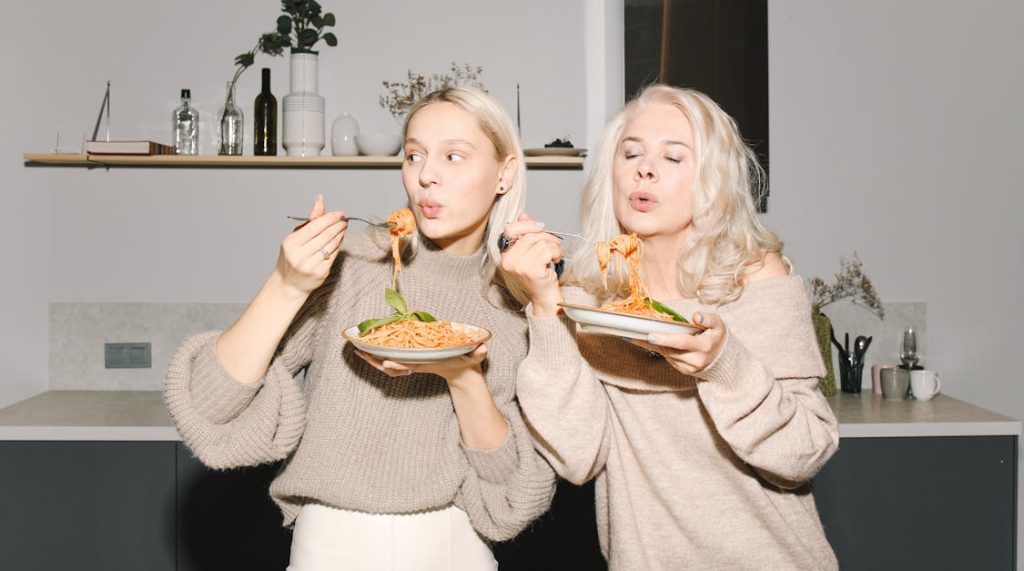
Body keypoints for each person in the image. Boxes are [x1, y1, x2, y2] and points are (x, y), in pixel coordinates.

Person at [165, 86, 555, 571]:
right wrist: (286, 285)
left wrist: (462, 375)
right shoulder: (351, 264)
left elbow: (508, 498)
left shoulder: (523, 300)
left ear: (505, 172)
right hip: (327, 547)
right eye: (414, 155)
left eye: (454, 156)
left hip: (454, 550)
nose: (426, 176)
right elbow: (210, 409)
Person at [501, 85, 839, 570]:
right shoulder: (586, 301)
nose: (645, 168)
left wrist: (724, 365)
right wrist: (543, 306)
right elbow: (578, 458)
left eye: (673, 157)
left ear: (711, 180)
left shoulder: (756, 280)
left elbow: (804, 454)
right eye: (631, 152)